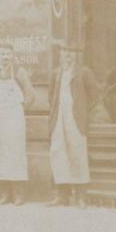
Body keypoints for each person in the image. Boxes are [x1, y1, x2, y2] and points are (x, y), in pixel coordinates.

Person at [47, 43, 98, 208]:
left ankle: (81, 197)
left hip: (76, 121)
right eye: (65, 51)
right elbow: (50, 97)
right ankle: (62, 196)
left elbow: (94, 97)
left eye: (71, 51)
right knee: (59, 155)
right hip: (58, 120)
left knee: (78, 155)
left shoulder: (84, 72)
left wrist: (81, 111)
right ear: (60, 53)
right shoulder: (56, 73)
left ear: (76, 54)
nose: (68, 55)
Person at [0, 41, 35, 206]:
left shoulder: (19, 72)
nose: (5, 57)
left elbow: (31, 94)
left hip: (14, 119)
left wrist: (20, 110)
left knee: (16, 154)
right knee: (0, 154)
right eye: (2, 54)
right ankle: (5, 193)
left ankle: (18, 194)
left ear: (13, 56)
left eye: (8, 54)